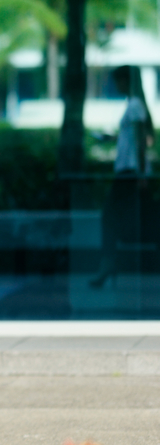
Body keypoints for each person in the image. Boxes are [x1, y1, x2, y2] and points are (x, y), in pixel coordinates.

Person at [89, 65, 156, 288]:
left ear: (126, 81)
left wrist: (140, 174)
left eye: (118, 81)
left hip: (130, 173)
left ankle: (108, 264)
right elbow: (135, 138)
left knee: (109, 217)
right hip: (130, 171)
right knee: (141, 219)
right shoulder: (133, 105)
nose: (116, 86)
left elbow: (140, 141)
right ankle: (109, 264)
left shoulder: (135, 105)